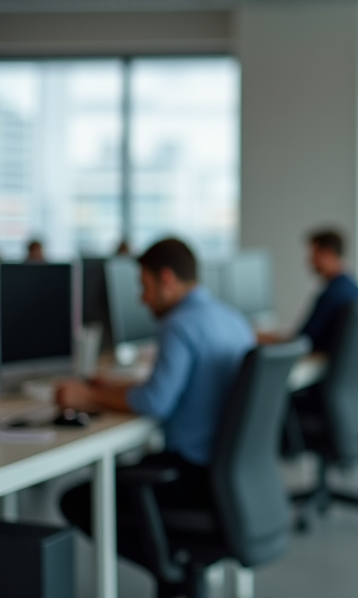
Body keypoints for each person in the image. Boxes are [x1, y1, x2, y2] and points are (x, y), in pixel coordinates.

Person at [56, 238, 254, 571]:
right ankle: (173, 564)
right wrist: (116, 387)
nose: (141, 299)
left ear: (166, 280)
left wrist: (85, 397)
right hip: (233, 476)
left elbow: (155, 402)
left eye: (145, 287)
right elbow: (186, 385)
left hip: (191, 477)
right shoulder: (232, 319)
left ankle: (168, 570)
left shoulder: (179, 324)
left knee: (79, 500)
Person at [292, 228, 358, 354]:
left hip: (322, 366)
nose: (310, 261)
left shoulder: (332, 294)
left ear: (328, 254)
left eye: (314, 254)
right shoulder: (354, 287)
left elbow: (303, 340)